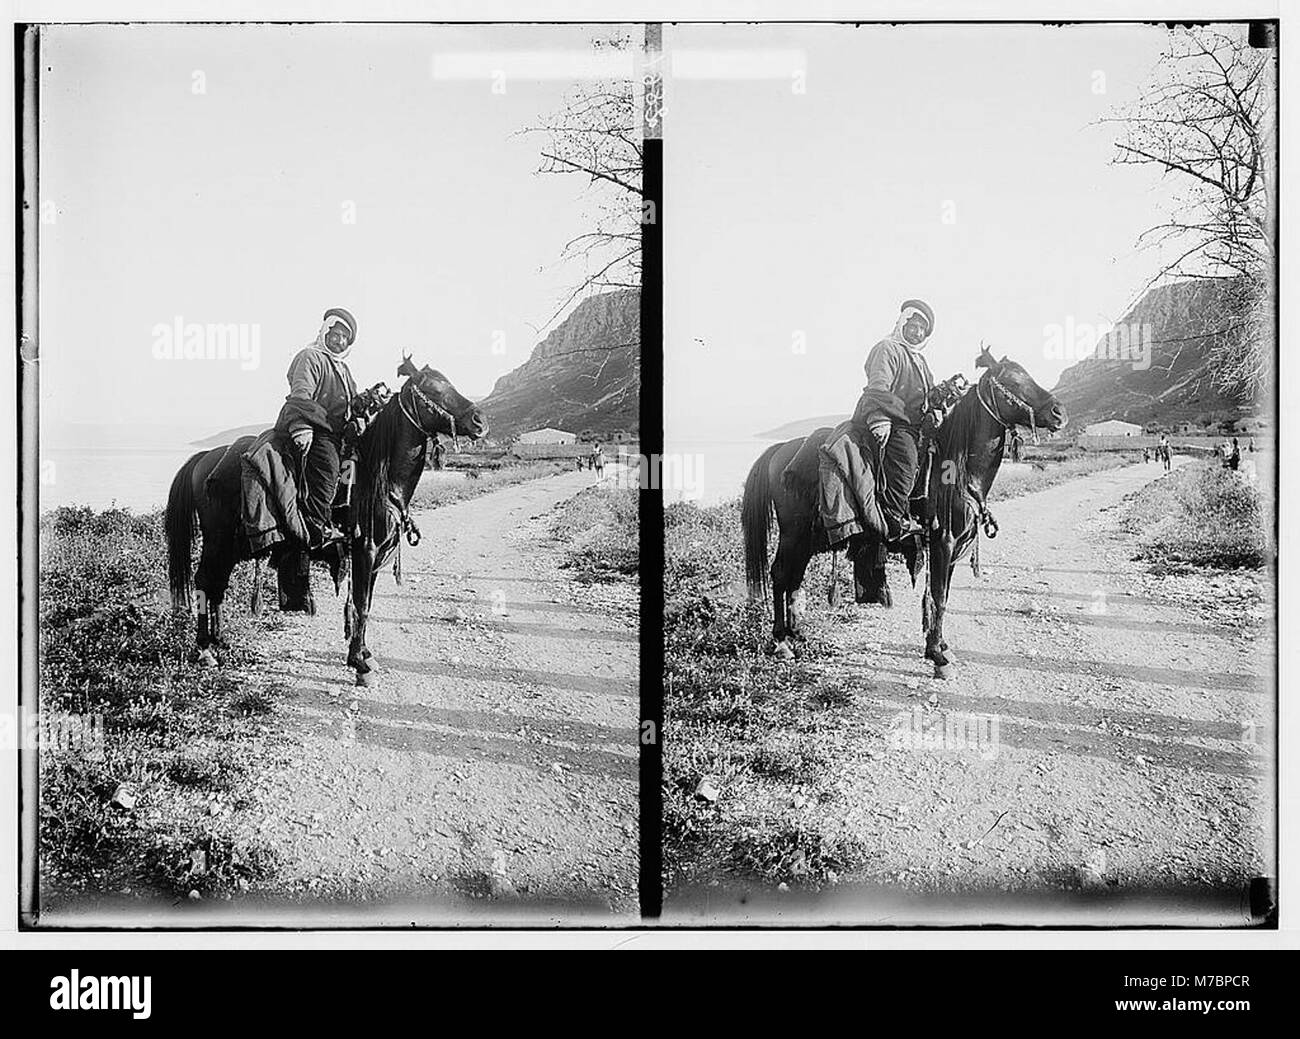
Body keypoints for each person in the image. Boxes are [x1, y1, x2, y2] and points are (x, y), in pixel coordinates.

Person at [275, 307, 359, 548]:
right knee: (328, 468)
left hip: (337, 434)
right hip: (315, 428)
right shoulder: (310, 357)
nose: (340, 340)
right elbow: (301, 394)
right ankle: (314, 526)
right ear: (325, 331)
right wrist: (301, 426)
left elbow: (352, 402)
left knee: (353, 468)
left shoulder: (342, 368)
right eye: (337, 333)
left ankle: (340, 519)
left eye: (345, 337)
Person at [855, 298, 936, 543]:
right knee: (906, 460)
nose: (918, 332)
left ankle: (922, 512)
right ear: (902, 322)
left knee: (942, 458)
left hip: (914, 425)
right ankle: (891, 519)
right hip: (892, 419)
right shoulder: (887, 348)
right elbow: (878, 387)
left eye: (923, 329)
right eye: (914, 325)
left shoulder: (919, 360)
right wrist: (879, 419)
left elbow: (928, 394)